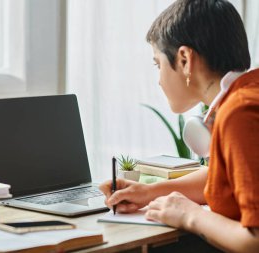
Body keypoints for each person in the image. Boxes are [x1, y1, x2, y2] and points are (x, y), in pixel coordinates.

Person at [99, 0, 259, 252]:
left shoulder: (239, 112)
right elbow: (228, 177)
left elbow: (255, 241)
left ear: (184, 59)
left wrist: (190, 216)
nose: (159, 81)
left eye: (158, 64)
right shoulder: (250, 92)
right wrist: (150, 192)